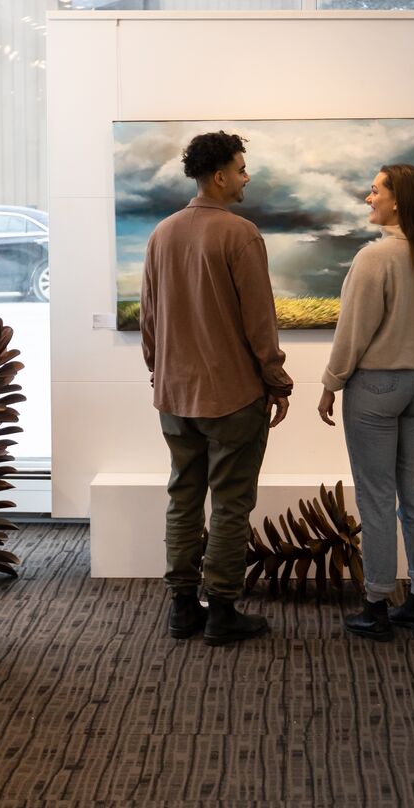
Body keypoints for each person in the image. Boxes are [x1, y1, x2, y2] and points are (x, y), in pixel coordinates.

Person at [140, 130, 292, 646]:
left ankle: (182, 608)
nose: (247, 177)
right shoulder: (240, 235)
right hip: (233, 397)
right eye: (242, 169)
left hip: (174, 395)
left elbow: (149, 319)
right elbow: (260, 323)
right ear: (220, 176)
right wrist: (277, 381)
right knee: (230, 503)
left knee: (183, 497)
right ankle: (222, 611)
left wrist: (159, 370)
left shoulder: (162, 233)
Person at [318, 163, 414, 641]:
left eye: (375, 190)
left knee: (376, 498)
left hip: (376, 388)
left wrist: (331, 382)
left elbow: (352, 332)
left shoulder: (375, 258)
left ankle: (375, 605)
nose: (368, 198)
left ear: (398, 200)